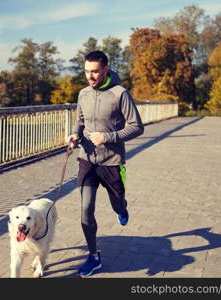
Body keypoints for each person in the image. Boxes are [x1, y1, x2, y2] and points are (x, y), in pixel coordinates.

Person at [68, 50, 144, 277]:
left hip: (112, 163)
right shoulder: (83, 94)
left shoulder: (120, 94)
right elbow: (79, 122)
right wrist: (74, 136)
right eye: (86, 72)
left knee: (117, 203)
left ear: (106, 70)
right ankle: (93, 256)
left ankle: (122, 207)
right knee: (85, 209)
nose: (90, 76)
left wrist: (107, 137)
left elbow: (137, 126)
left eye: (95, 72)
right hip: (87, 160)